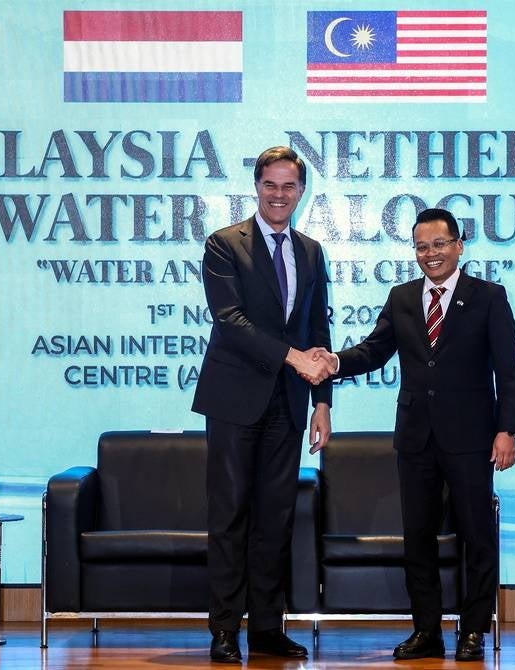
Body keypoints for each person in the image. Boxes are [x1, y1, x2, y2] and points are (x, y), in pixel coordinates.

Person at [314, 207, 515, 662]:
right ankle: (426, 630)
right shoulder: (403, 297)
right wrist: (335, 362)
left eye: (440, 244)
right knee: (419, 539)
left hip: (471, 436)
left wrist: (507, 429)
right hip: (416, 437)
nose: (431, 254)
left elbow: (508, 371)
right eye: (422, 246)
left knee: (476, 536)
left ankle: (473, 632)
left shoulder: (488, 296)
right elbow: (375, 350)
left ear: (459, 245)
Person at [191, 146, 334, 664]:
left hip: (289, 405)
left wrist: (322, 402)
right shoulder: (225, 244)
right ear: (257, 187)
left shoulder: (312, 251)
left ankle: (268, 630)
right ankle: (225, 631)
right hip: (233, 400)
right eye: (270, 185)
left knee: (275, 520)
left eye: (289, 186)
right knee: (230, 517)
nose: (279, 195)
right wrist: (295, 358)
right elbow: (230, 320)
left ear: (302, 191)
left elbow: (318, 331)